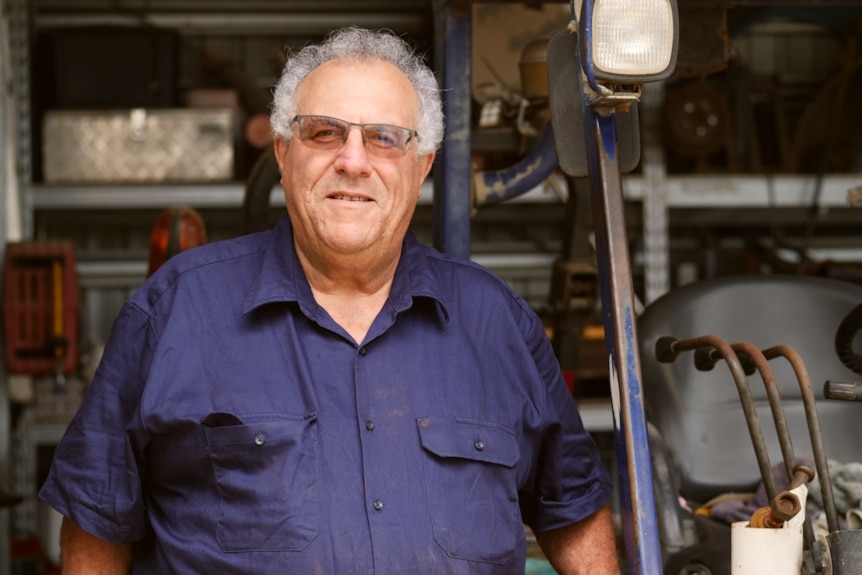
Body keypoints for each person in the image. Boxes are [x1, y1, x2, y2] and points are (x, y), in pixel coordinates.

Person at [39, 27, 620, 574]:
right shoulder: (174, 311)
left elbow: (572, 510)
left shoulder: (497, 323)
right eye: (325, 132)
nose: (353, 160)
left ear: (421, 169)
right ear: (285, 153)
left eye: (384, 138)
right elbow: (97, 520)